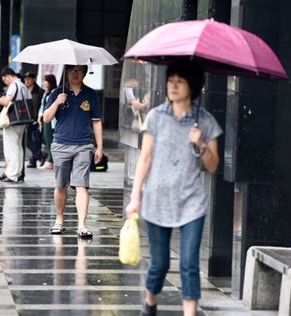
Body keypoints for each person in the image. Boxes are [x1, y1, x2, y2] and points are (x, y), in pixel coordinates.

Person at [124, 60, 222, 316]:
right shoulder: (156, 117)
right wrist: (135, 198)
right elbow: (144, 159)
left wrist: (201, 144)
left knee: (189, 263)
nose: (174, 86)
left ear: (193, 86)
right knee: (160, 264)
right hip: (157, 199)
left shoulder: (206, 121)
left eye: (180, 81)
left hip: (191, 203)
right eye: (171, 81)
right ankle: (150, 302)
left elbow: (213, 166)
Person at [43, 64, 103, 238]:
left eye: (79, 70)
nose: (75, 74)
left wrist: (99, 146)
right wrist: (56, 102)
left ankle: (82, 225)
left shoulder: (91, 94)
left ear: (84, 73)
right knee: (61, 185)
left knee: (81, 185)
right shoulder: (56, 93)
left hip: (84, 145)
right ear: (67, 73)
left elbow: (97, 121)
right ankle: (59, 220)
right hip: (61, 144)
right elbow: (46, 118)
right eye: (72, 70)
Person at [0, 67, 31, 183]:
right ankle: (17, 173)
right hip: (22, 120)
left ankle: (12, 175)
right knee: (18, 147)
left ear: (8, 76)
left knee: (11, 148)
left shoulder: (14, 86)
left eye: (4, 80)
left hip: (13, 121)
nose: (5, 82)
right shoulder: (23, 86)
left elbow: (6, 102)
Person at [23, 71, 45, 168]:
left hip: (37, 121)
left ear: (34, 79)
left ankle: (33, 159)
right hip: (26, 119)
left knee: (37, 141)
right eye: (25, 79)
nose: (27, 81)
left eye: (29, 78)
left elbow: (43, 106)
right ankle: (39, 156)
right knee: (26, 140)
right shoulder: (24, 91)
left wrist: (40, 119)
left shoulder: (40, 91)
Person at [37, 74, 58, 170]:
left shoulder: (55, 92)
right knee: (47, 140)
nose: (44, 83)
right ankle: (50, 160)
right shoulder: (46, 93)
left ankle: (51, 161)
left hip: (52, 120)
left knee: (51, 141)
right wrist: (40, 116)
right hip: (45, 120)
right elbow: (42, 106)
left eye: (45, 80)